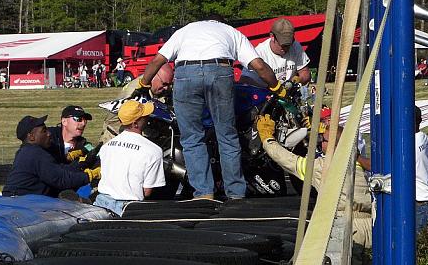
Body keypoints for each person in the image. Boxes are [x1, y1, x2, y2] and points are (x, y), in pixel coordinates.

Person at [137, 14, 285, 200]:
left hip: (186, 73)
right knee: (228, 136)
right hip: (220, 71)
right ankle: (236, 194)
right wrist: (277, 87)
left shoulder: (185, 31)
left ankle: (204, 193)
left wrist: (143, 84)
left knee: (192, 138)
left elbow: (157, 61)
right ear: (222, 23)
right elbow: (259, 66)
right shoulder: (231, 32)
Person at [256, 115, 372, 262]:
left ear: (335, 146)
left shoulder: (324, 167)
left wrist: (267, 139)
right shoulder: (361, 164)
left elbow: (290, 161)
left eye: (324, 140)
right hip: (370, 225)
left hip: (346, 227)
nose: (320, 143)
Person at [94, 100, 165, 215]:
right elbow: (147, 191)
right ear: (135, 123)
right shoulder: (153, 151)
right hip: (129, 209)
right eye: (144, 116)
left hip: (100, 203)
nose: (148, 117)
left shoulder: (106, 147)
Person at [2, 115, 100, 197]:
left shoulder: (26, 151)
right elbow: (62, 179)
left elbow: (59, 170)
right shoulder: (35, 153)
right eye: (44, 131)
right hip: (23, 204)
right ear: (31, 136)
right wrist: (90, 175)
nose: (49, 134)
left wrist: (81, 164)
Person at [99, 63, 174, 144]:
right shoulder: (134, 91)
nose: (166, 88)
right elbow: (131, 122)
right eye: (164, 84)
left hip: (140, 135)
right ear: (153, 76)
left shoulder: (163, 89)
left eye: (170, 84)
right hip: (116, 136)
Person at [240, 18, 311, 86]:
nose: (286, 48)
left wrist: (298, 80)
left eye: (289, 45)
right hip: (265, 93)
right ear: (272, 36)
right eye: (282, 45)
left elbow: (305, 72)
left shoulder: (295, 46)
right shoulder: (259, 53)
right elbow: (245, 81)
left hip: (289, 93)